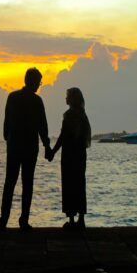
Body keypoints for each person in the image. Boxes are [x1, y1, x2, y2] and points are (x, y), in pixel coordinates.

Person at [0, 67, 51, 231]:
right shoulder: (37, 101)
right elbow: (43, 126)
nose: (39, 85)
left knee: (9, 183)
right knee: (27, 184)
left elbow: (6, 123)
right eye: (39, 82)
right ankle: (23, 220)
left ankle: (3, 220)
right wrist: (47, 146)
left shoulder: (12, 97)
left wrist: (8, 138)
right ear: (33, 82)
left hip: (14, 147)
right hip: (30, 148)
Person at [48, 87, 91, 229]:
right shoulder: (83, 115)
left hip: (69, 155)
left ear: (72, 99)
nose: (65, 98)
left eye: (67, 96)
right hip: (79, 155)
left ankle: (72, 220)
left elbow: (62, 136)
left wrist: (53, 152)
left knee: (69, 185)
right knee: (79, 185)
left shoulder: (68, 115)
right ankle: (81, 219)